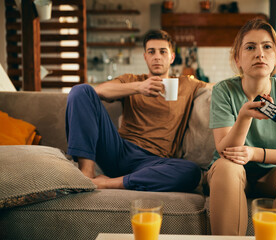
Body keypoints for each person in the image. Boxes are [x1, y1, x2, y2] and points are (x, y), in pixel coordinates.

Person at [206, 19, 276, 240]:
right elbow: (224, 149)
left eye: (267, 47)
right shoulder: (223, 91)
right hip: (232, 174)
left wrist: (256, 153)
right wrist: (244, 115)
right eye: (250, 47)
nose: (260, 53)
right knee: (227, 167)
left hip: (271, 176)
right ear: (237, 59)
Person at [66, 30, 209, 192]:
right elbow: (98, 91)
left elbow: (221, 88)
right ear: (145, 57)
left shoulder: (187, 84)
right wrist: (139, 87)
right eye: (151, 52)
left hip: (152, 163)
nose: (157, 56)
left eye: (163, 52)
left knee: (191, 171)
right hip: (119, 150)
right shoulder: (132, 80)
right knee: (80, 90)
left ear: (172, 57)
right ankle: (86, 176)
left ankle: (107, 183)